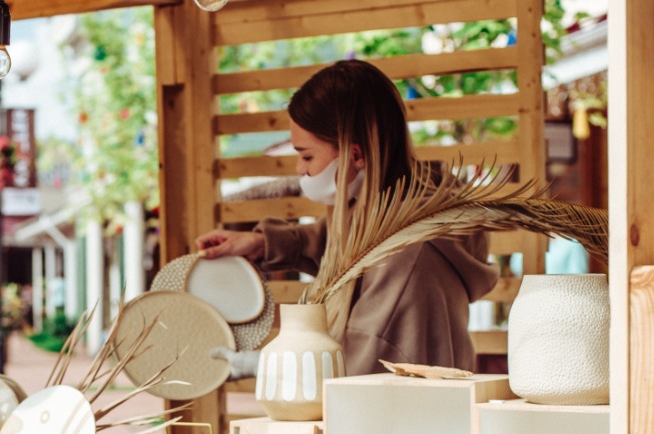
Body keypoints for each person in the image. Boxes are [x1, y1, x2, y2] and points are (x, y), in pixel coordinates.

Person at [197, 59, 498, 376]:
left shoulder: (403, 256)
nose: (301, 170)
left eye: (307, 155)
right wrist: (262, 243)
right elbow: (339, 246)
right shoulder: (388, 219)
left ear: (355, 154)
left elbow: (360, 368)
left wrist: (270, 366)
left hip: (403, 421)